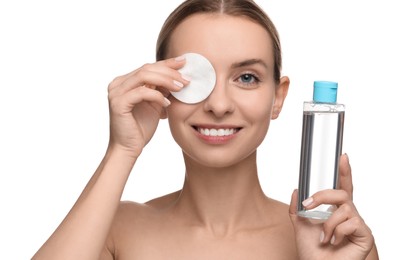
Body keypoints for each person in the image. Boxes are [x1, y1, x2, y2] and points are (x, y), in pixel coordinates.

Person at [33, 0, 379, 259]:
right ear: (161, 89)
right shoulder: (117, 229)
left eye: (246, 78)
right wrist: (122, 151)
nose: (219, 105)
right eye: (195, 79)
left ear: (278, 97)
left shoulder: (336, 240)